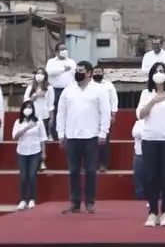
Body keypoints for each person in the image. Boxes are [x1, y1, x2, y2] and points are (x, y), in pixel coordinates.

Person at [56, 60, 111, 214]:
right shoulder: (68, 90)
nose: (77, 73)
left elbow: (105, 112)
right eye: (76, 70)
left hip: (91, 136)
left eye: (81, 70)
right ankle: (74, 202)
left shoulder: (99, 90)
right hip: (72, 135)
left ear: (88, 73)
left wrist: (103, 132)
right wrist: (60, 133)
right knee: (73, 170)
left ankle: (90, 202)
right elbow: (61, 112)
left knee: (91, 170)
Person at [136, 62, 165, 227]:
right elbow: (140, 115)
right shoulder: (145, 94)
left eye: (162, 70)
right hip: (149, 139)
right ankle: (152, 212)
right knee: (151, 176)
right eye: (156, 71)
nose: (159, 73)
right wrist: (153, 101)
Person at [12, 100, 47, 210]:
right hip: (22, 152)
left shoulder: (38, 121)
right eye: (26, 107)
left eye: (30, 107)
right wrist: (26, 128)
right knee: (23, 176)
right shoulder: (18, 122)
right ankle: (23, 200)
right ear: (22, 109)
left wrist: (44, 152)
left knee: (32, 176)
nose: (28, 109)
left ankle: (32, 199)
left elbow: (43, 138)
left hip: (35, 151)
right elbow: (14, 136)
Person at [23, 68, 53, 170]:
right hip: (32, 116)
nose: (39, 75)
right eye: (38, 73)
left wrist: (51, 118)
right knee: (33, 139)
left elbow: (51, 105)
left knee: (42, 141)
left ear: (45, 75)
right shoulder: (30, 87)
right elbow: (25, 102)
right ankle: (32, 162)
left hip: (44, 116)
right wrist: (34, 97)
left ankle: (42, 162)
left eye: (42, 73)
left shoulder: (49, 88)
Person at [45, 43, 76, 139]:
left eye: (65, 49)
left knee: (69, 112)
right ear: (56, 52)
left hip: (69, 90)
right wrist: (63, 69)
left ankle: (69, 134)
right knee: (55, 112)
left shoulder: (71, 62)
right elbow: (49, 72)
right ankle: (55, 135)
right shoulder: (51, 62)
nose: (64, 51)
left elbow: (75, 76)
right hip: (55, 90)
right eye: (62, 49)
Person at [92, 65, 119, 172]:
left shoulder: (108, 85)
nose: (97, 74)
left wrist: (113, 114)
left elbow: (114, 100)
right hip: (90, 117)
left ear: (103, 73)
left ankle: (103, 164)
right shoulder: (88, 85)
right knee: (90, 143)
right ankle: (90, 165)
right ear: (91, 73)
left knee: (104, 142)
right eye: (95, 72)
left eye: (99, 72)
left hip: (105, 117)